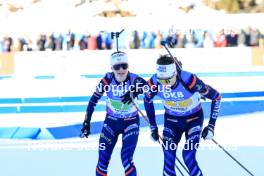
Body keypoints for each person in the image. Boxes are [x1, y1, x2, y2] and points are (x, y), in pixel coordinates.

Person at [125, 54, 221, 176]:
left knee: (188, 156)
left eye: (168, 80)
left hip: (193, 120)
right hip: (172, 121)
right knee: (168, 155)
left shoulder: (189, 80)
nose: (165, 84)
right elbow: (146, 100)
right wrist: (153, 127)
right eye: (162, 80)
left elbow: (216, 97)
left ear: (175, 73)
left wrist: (211, 126)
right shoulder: (155, 82)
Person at [80, 51, 145, 176]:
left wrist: (135, 90)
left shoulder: (135, 79)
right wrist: (86, 122)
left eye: (124, 66)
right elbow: (93, 100)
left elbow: (150, 88)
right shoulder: (107, 80)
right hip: (111, 123)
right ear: (111, 68)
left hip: (130, 123)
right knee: (102, 161)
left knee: (126, 159)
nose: (121, 70)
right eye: (117, 67)